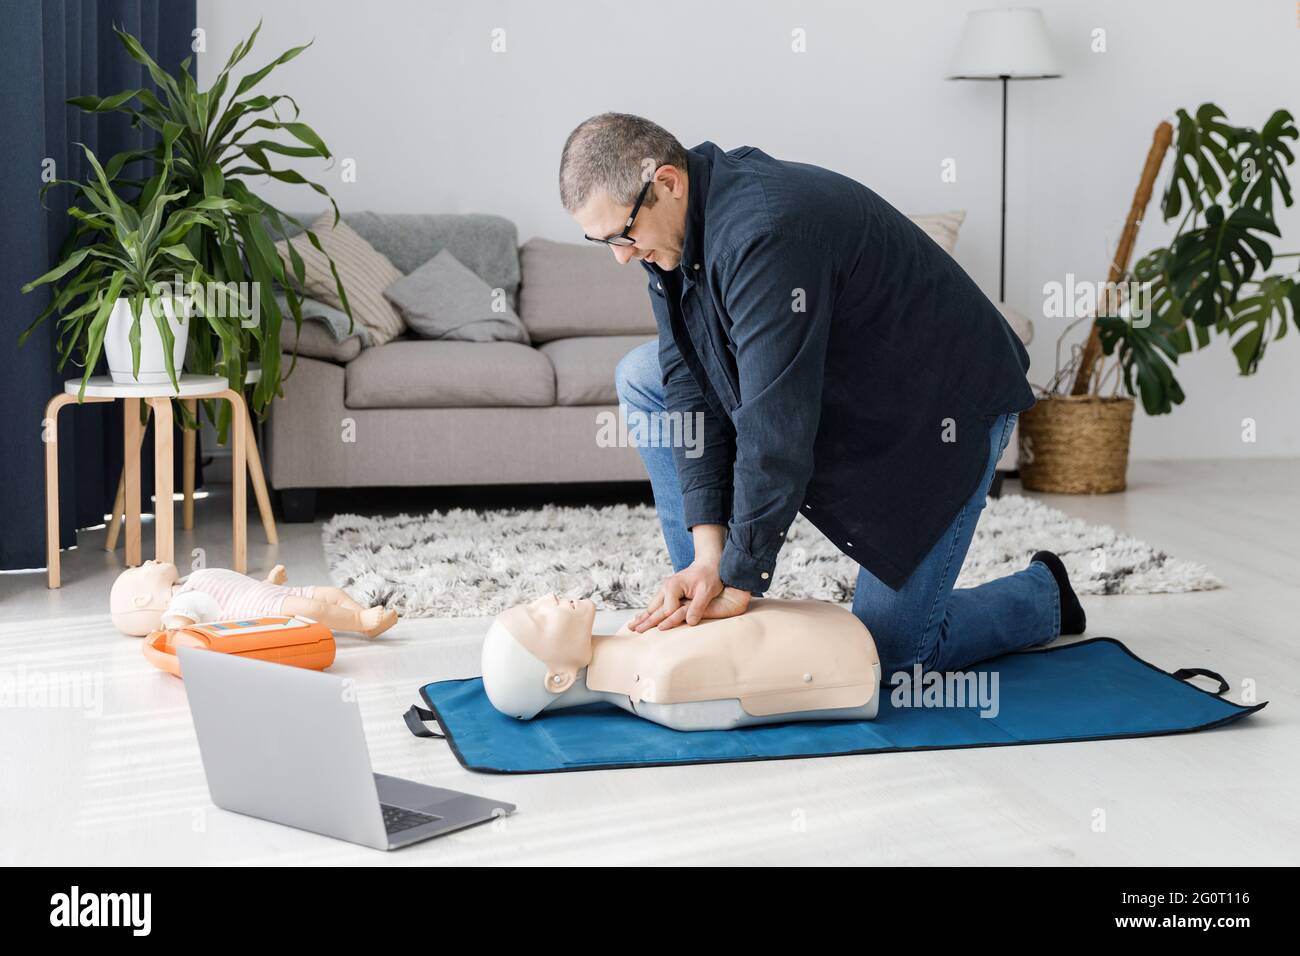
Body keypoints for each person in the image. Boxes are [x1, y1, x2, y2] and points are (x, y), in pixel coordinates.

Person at [558, 113, 1085, 676]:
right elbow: (689, 384)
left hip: (937, 414)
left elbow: (775, 429)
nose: (619, 255)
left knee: (889, 661)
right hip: (837, 386)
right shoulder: (666, 237)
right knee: (643, 376)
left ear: (667, 181)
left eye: (621, 235)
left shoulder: (764, 234)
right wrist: (713, 554)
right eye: (603, 241)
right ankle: (704, 606)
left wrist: (744, 573)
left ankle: (1044, 594)